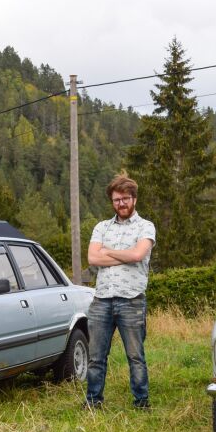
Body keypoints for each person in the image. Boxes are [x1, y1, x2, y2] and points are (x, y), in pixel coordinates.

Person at [84, 174, 156, 410]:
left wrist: (109, 251)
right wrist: (124, 254)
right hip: (101, 300)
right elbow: (93, 258)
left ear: (134, 199)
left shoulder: (145, 227)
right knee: (95, 357)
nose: (121, 204)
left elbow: (138, 255)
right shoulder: (101, 227)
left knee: (135, 356)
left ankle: (141, 401)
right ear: (112, 201)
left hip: (131, 301)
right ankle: (93, 401)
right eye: (116, 200)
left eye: (125, 199)